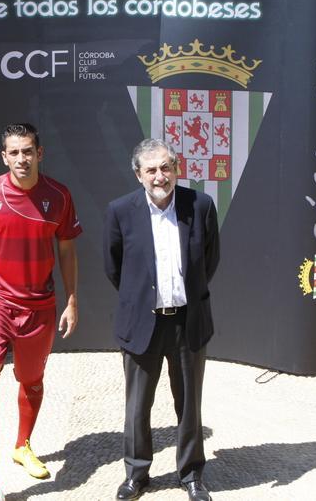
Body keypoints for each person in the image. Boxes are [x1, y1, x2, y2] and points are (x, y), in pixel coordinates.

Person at [0, 123, 81, 482]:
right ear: (4, 156)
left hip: (39, 305)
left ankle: (22, 445)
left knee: (31, 380)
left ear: (39, 153)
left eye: (27, 151)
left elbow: (67, 249)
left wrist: (72, 299)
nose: (21, 159)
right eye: (14, 152)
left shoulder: (58, 196)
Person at [103, 139, 220, 501]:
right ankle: (137, 474)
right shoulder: (120, 210)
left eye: (166, 167)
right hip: (142, 322)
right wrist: (143, 299)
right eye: (151, 169)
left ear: (176, 168)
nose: (160, 176)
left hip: (188, 321)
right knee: (138, 405)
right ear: (139, 175)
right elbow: (114, 267)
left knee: (189, 404)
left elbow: (209, 260)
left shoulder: (199, 205)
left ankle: (191, 475)